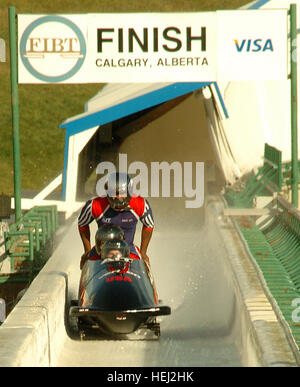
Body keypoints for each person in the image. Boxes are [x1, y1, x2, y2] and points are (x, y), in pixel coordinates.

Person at [78, 171, 154, 269]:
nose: (118, 197)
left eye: (121, 193)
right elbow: (82, 223)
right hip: (101, 251)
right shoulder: (95, 205)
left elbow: (149, 225)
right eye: (114, 193)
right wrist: (87, 251)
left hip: (129, 250)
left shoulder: (140, 204)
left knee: (145, 265)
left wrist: (143, 253)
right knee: (86, 263)